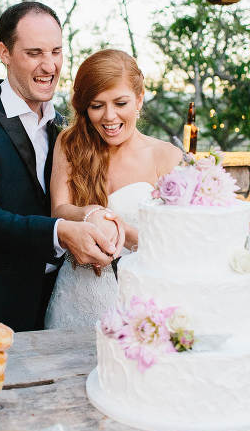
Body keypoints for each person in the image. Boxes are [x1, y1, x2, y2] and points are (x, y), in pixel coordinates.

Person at [0, 3, 119, 332]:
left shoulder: (66, 127)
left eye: (56, 51)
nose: (49, 65)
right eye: (34, 53)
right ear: (4, 52)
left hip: (59, 303)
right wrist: (59, 232)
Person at [44, 49, 184, 329]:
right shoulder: (68, 143)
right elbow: (58, 210)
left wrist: (122, 233)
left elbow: (178, 244)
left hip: (139, 308)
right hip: (74, 299)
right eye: (97, 106)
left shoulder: (166, 157)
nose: (109, 117)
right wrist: (91, 213)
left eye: (120, 103)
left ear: (139, 99)